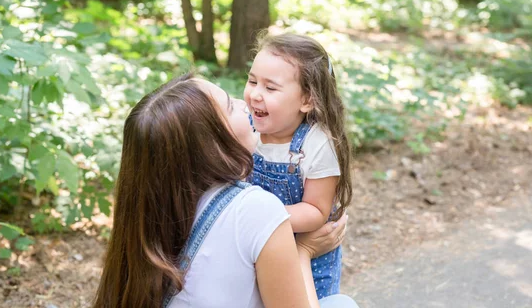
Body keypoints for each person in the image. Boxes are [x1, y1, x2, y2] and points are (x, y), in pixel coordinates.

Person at [92, 73, 359, 308]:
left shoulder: (158, 210)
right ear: (212, 144)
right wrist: (304, 252)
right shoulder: (256, 210)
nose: (246, 103)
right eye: (231, 107)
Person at [244, 33, 352, 299]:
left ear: (307, 100)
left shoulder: (317, 145)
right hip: (255, 247)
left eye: (270, 88)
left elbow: (316, 210)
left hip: (306, 252)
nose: (255, 94)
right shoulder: (244, 129)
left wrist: (264, 217)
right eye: (252, 80)